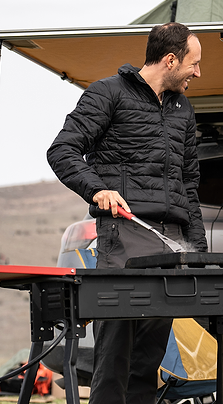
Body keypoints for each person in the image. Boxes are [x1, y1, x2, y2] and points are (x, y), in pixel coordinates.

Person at [46, 22, 207, 404]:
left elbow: (190, 186)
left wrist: (197, 251)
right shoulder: (108, 93)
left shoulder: (184, 108)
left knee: (149, 356)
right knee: (116, 350)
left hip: (172, 243)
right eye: (194, 64)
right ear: (171, 60)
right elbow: (62, 150)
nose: (198, 72)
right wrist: (96, 189)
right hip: (125, 236)